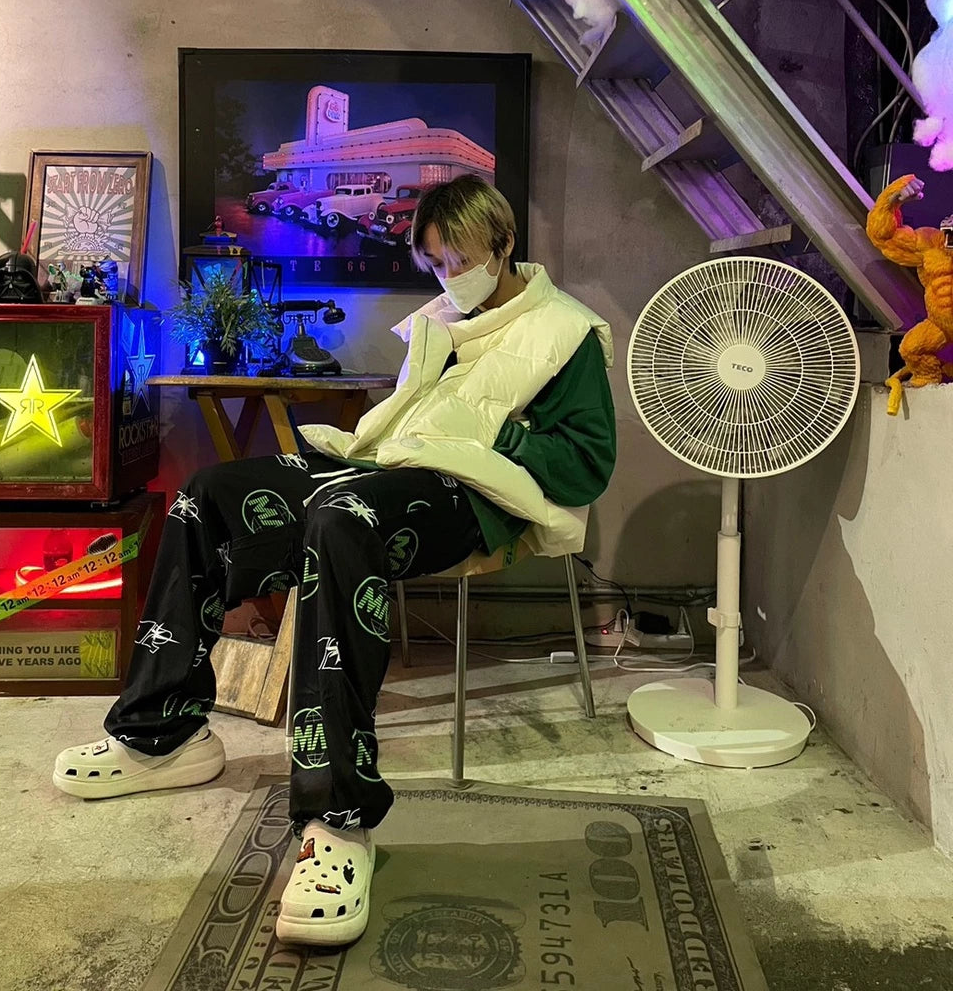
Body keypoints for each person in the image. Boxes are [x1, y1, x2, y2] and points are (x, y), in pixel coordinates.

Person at [52, 174, 616, 947]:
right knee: (208, 493)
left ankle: (338, 817)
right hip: (388, 466)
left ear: (505, 242)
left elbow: (586, 465)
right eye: (436, 262)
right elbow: (408, 426)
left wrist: (493, 430)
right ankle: (162, 732)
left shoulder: (565, 331)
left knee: (341, 518)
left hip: (476, 496)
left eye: (461, 259)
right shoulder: (441, 321)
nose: (450, 276)